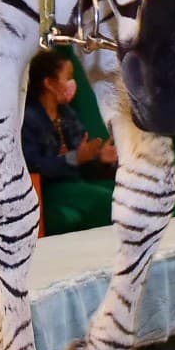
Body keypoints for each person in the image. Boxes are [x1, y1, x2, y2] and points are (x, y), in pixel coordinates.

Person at [20, 50, 118, 233]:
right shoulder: (28, 118)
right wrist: (74, 158)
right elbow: (32, 166)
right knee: (103, 201)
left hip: (74, 185)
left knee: (116, 197)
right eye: (68, 77)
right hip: (46, 191)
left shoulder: (68, 115)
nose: (73, 83)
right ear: (49, 83)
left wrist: (100, 160)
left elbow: (82, 164)